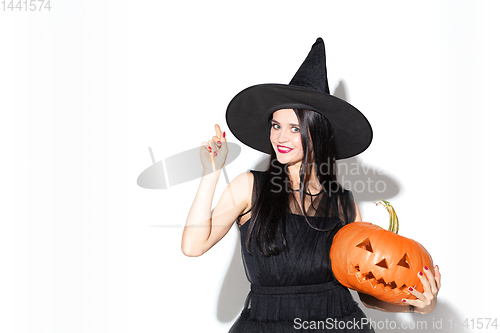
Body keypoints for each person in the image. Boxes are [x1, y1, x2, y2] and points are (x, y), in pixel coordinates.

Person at [181, 38, 441, 332]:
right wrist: (211, 172)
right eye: (276, 126)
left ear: (316, 133)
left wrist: (417, 305)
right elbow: (193, 246)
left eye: (295, 128)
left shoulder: (343, 204)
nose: (281, 138)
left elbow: (366, 292)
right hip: (267, 325)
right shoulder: (250, 187)